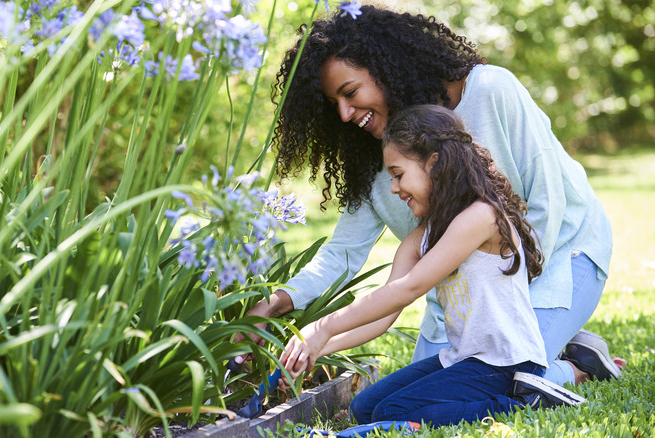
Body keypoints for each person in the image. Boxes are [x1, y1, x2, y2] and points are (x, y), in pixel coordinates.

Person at [236, 6, 620, 387]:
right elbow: (342, 254)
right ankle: (564, 346)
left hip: (560, 258)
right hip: (465, 296)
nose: (344, 114)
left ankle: (575, 366)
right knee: (424, 389)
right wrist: (276, 302)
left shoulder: (489, 90)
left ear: (386, 68)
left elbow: (547, 203)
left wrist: (507, 311)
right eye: (333, 103)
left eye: (350, 93)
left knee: (502, 380)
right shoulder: (377, 161)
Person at [279, 104, 585, 427]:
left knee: (391, 414)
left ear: (433, 164)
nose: (394, 188)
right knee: (364, 409)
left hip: (507, 365)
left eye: (398, 174)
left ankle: (528, 401)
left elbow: (409, 288)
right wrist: (318, 348)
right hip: (463, 360)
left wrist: (323, 326)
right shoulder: (421, 237)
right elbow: (385, 312)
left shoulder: (482, 217)